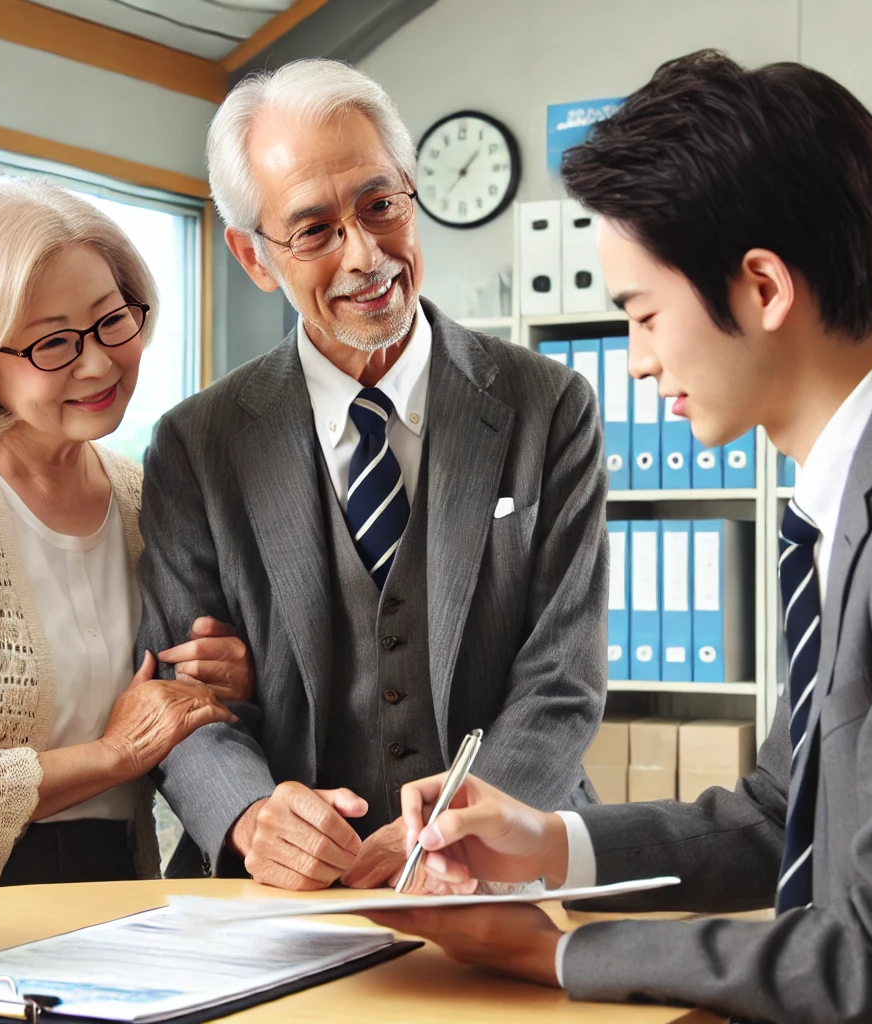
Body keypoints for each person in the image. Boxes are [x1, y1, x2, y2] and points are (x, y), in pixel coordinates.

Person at [365, 49, 872, 1023]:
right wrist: (548, 845)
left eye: (643, 313)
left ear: (762, 288)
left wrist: (558, 956)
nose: (636, 361)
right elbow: (773, 813)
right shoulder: (858, 490)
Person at [139, 58, 608, 890]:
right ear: (252, 255)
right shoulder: (194, 445)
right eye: (314, 230)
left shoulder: (551, 406)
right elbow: (187, 705)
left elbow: (562, 678)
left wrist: (456, 828)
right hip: (284, 898)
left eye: (380, 205)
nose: (366, 255)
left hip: (506, 867)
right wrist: (251, 817)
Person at [0, 180, 253, 892]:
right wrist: (115, 753)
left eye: (112, 320)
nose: (99, 362)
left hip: (126, 883)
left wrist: (225, 679)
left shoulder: (148, 498)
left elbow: (181, 710)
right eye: (54, 342)